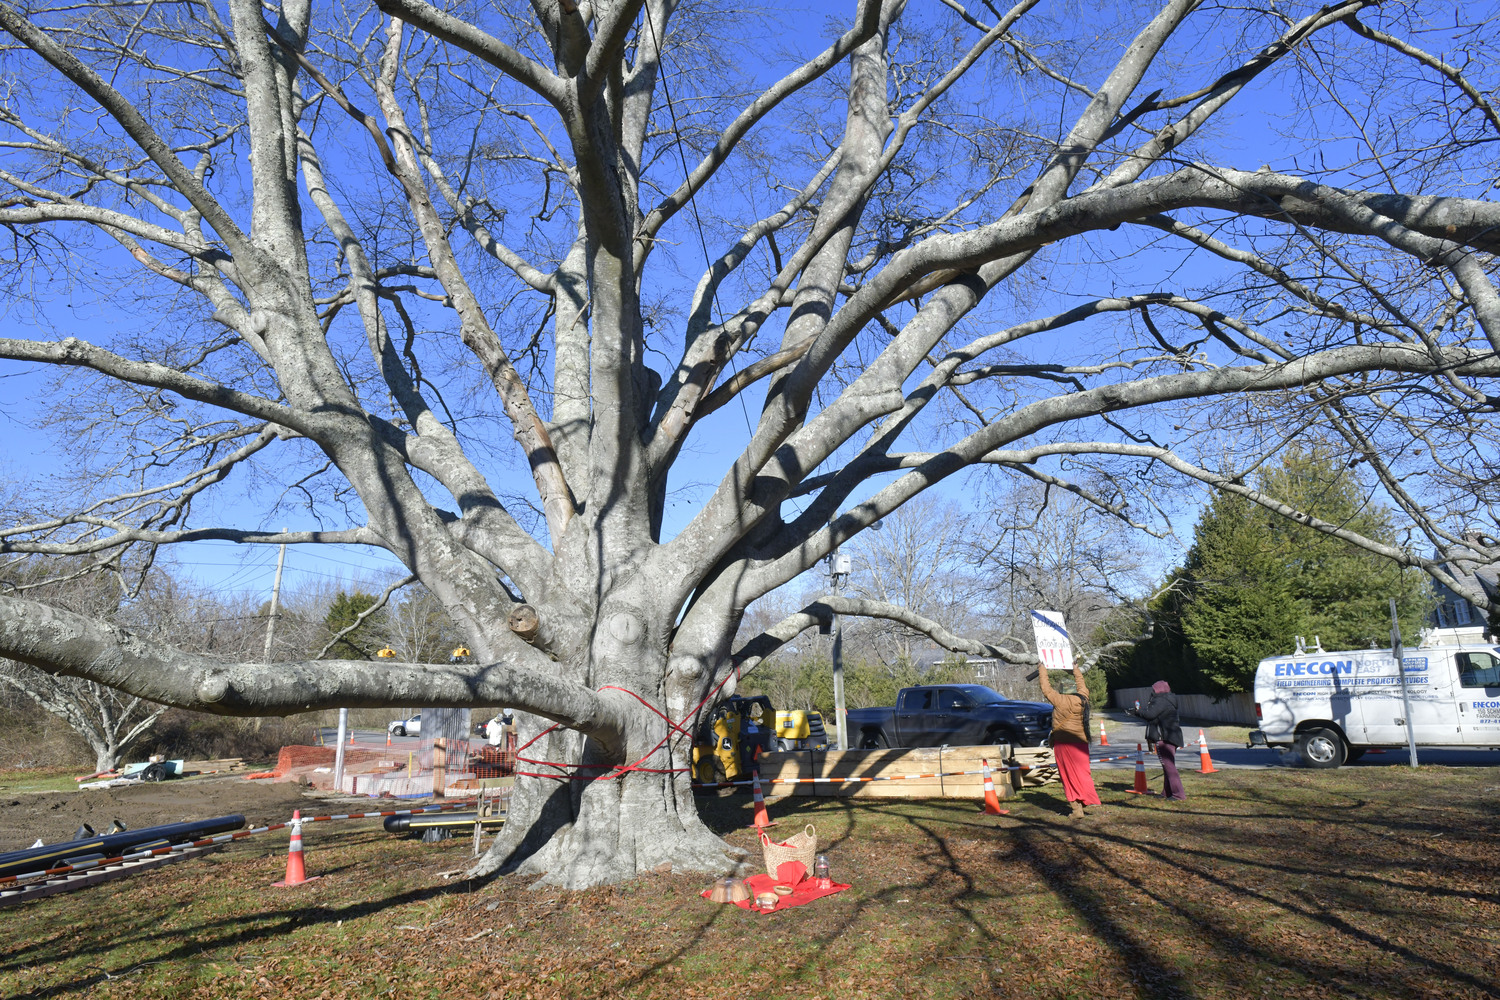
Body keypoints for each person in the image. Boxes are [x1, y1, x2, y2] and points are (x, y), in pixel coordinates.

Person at [1036, 661, 1101, 818]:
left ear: (1063, 691)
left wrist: (1042, 668)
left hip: (1063, 743)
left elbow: (1046, 688)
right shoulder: (1083, 698)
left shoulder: (1060, 701)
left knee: (1068, 775)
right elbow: (1082, 684)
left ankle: (1077, 809)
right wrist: (1075, 669)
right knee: (1083, 773)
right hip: (1081, 742)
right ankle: (1085, 798)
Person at [1133, 680, 1186, 800]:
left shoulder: (1160, 700)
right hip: (1173, 736)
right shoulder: (1169, 699)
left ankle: (1179, 794)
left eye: (1154, 689)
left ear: (1159, 690)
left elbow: (1150, 714)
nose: (1153, 692)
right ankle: (1166, 793)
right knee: (1167, 766)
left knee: (1169, 767)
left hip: (1165, 737)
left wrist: (1137, 711)